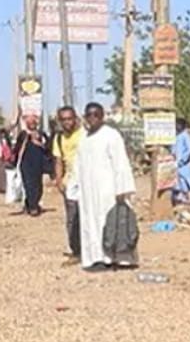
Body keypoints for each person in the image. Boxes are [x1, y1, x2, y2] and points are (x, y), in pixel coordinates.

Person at [67, 102, 137, 272]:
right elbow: (78, 165)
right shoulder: (84, 138)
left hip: (108, 191)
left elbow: (121, 163)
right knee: (90, 224)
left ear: (102, 116)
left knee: (111, 223)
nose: (93, 118)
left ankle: (114, 258)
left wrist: (122, 189)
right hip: (88, 191)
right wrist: (73, 187)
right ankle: (96, 258)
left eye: (96, 115)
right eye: (89, 115)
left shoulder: (111, 135)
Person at [49, 107, 83, 257]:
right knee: (72, 217)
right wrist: (59, 180)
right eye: (64, 119)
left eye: (70, 119)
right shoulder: (59, 138)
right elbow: (58, 160)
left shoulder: (84, 135)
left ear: (75, 118)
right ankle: (76, 249)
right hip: (70, 183)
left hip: (86, 182)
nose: (67, 122)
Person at [12, 115, 50, 217]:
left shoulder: (41, 134)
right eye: (30, 123)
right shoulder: (23, 134)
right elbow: (17, 148)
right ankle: (33, 208)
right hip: (26, 164)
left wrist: (40, 144)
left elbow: (48, 147)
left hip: (38, 164)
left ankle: (30, 204)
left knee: (38, 187)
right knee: (29, 186)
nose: (32, 124)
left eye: (34, 122)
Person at [171, 126, 190, 205]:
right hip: (175, 161)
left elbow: (189, 150)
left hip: (183, 163)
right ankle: (177, 197)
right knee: (175, 180)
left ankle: (184, 197)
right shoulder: (176, 136)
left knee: (184, 180)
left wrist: (182, 159)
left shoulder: (185, 136)